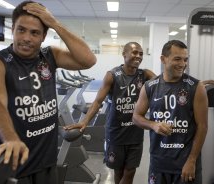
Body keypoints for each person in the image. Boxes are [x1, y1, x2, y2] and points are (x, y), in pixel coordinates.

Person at [0, 1, 96, 183]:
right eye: (21, 30)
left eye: (34, 33)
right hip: (15, 164)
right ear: (13, 30)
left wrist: (55, 24)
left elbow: (88, 60)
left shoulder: (50, 56)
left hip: (47, 161)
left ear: (43, 36)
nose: (26, 37)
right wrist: (10, 138)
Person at [65, 41, 156, 184]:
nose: (138, 56)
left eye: (141, 54)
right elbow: (97, 102)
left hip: (135, 132)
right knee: (118, 171)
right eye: (134, 52)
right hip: (116, 133)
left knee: (130, 171)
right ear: (124, 54)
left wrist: (194, 84)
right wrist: (84, 121)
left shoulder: (145, 74)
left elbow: (165, 83)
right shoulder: (112, 75)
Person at [132, 40, 208, 184]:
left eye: (185, 59)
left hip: (186, 164)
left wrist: (192, 160)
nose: (182, 64)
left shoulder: (196, 87)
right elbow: (136, 117)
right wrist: (153, 125)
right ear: (163, 59)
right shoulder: (150, 86)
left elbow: (202, 127)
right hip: (159, 164)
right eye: (177, 59)